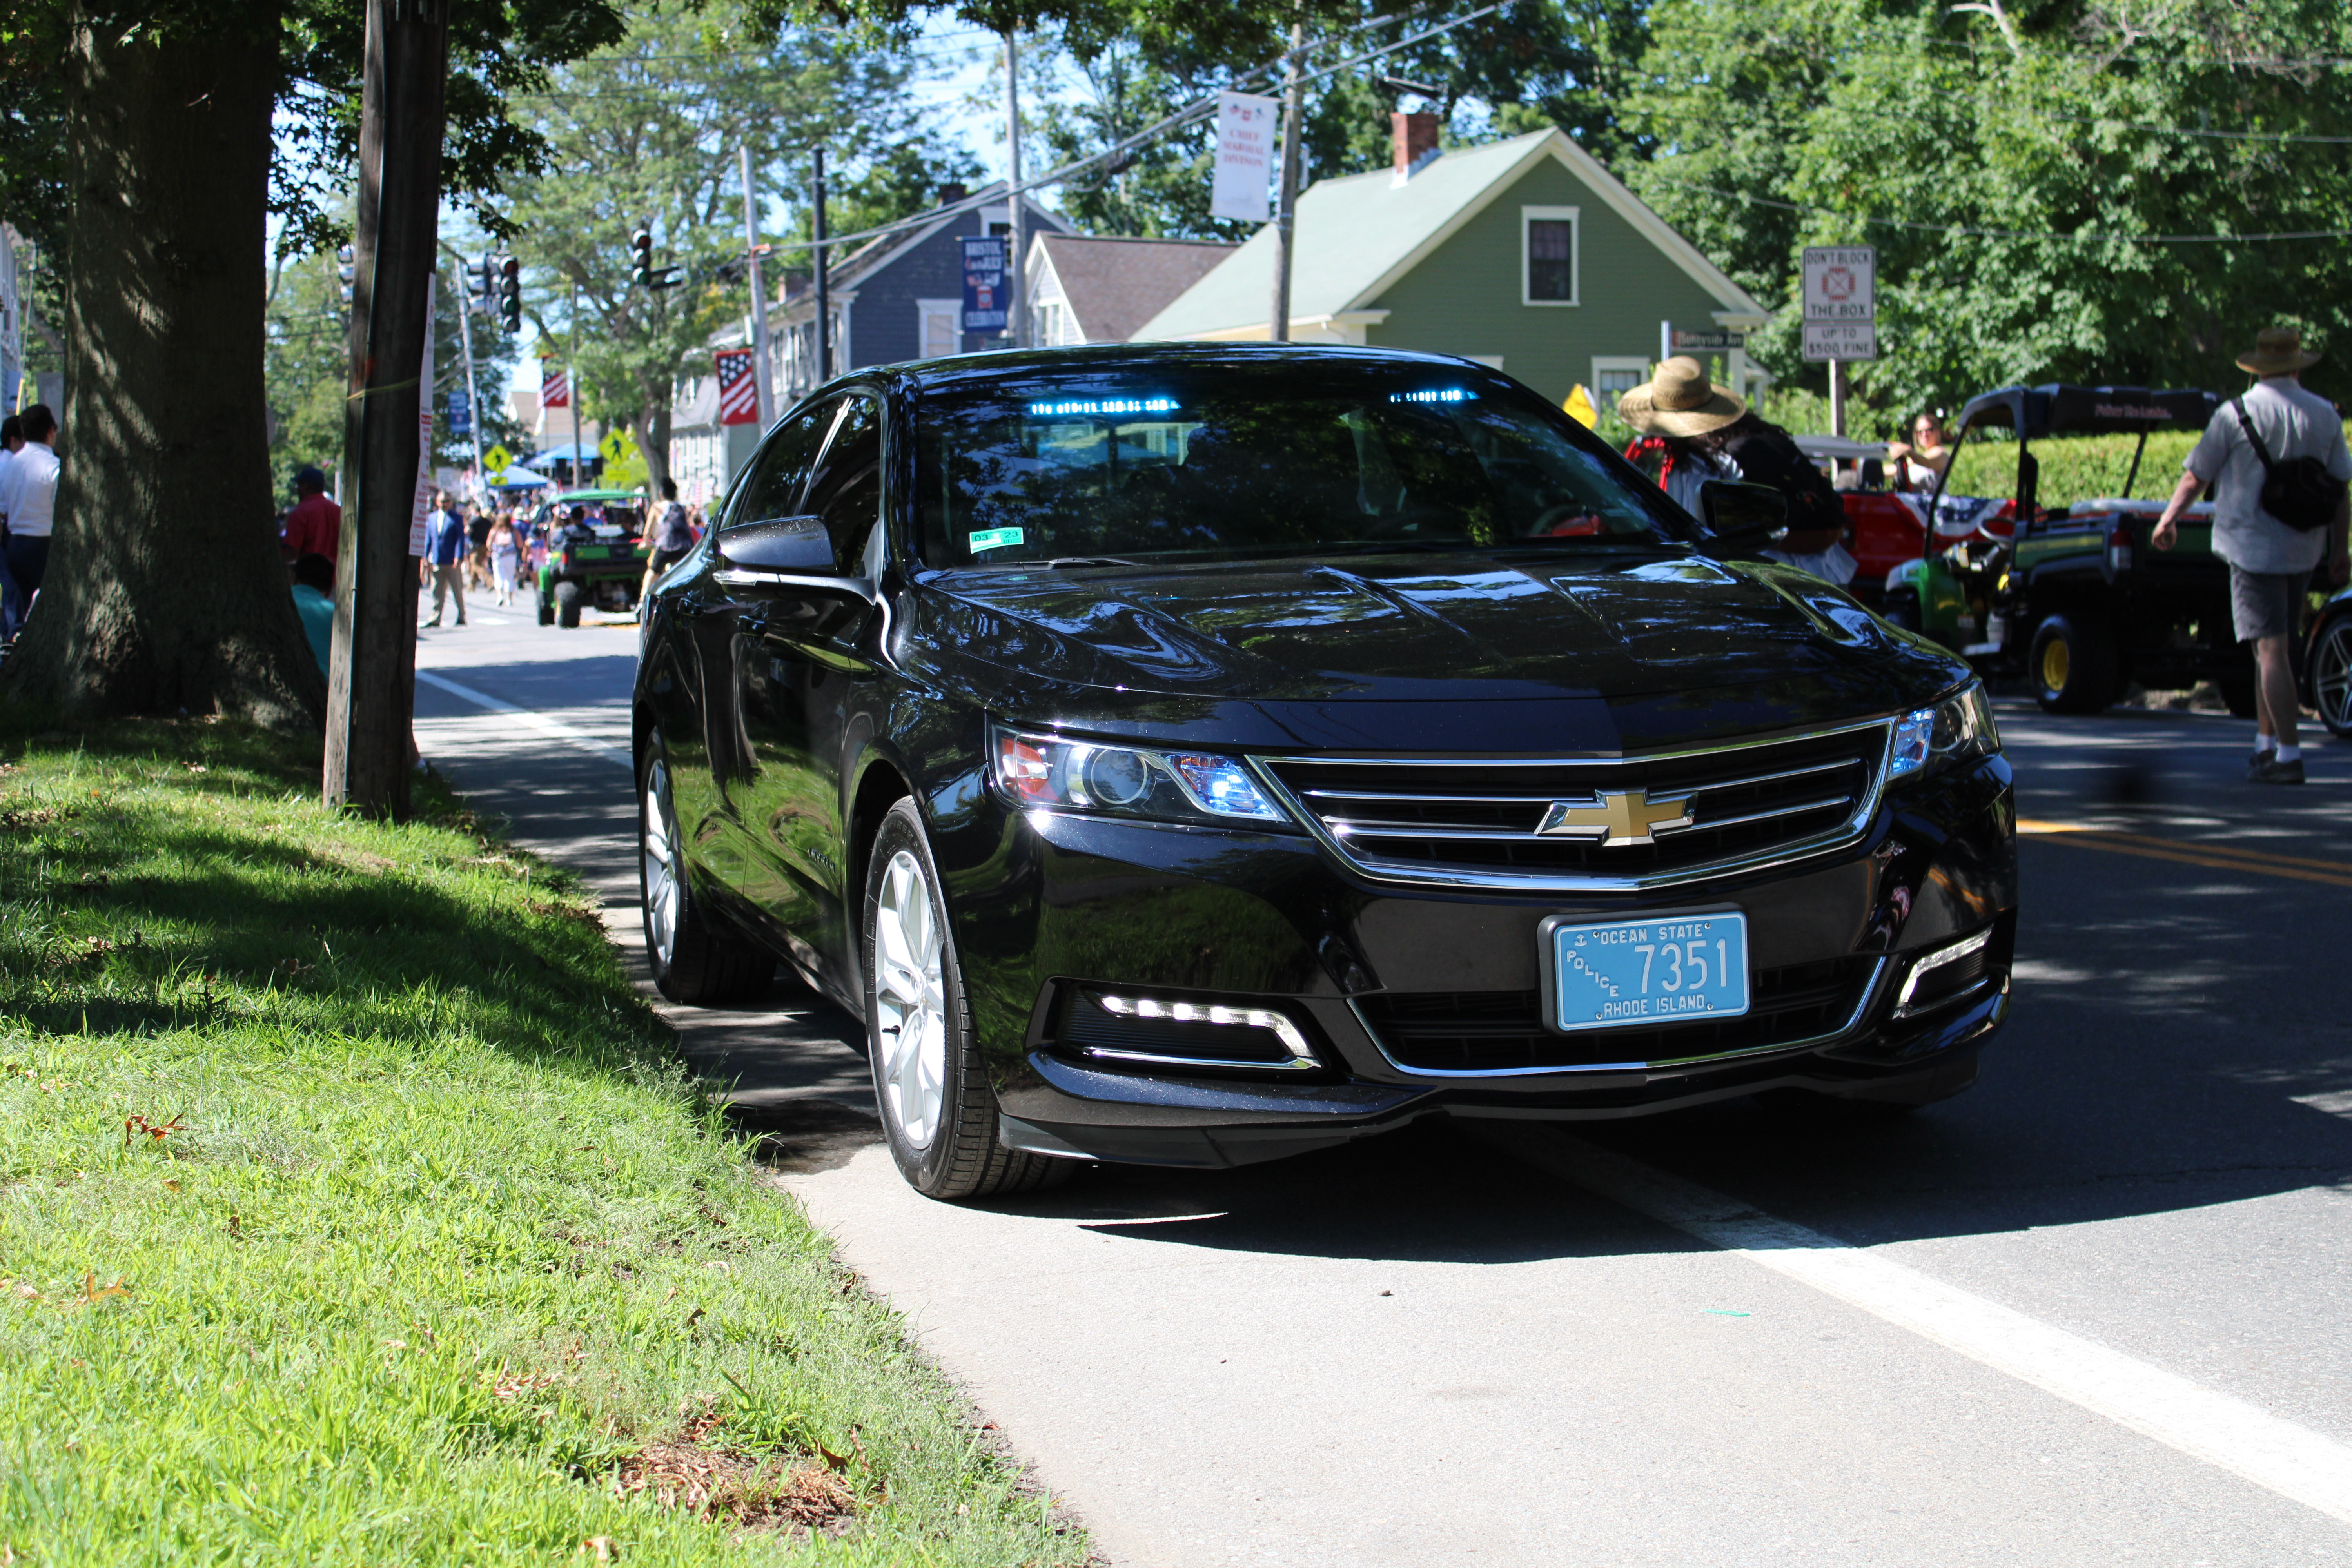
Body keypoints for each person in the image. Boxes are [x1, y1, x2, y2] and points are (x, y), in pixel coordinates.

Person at [2154, 325, 2352, 784]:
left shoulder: (2235, 413)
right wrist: (2339, 548)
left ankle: (2288, 754)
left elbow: (2195, 477)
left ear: (2258, 367)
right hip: (2304, 548)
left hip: (2251, 548)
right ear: (2298, 364)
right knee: (2274, 649)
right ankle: (2265, 745)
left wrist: (2168, 519)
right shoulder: (2325, 415)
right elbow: (2340, 490)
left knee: (2270, 649)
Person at [1617, 358, 1855, 583]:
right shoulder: (1753, 439)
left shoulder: (1699, 465)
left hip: (1775, 584)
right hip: (1827, 574)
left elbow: (1690, 546)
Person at [0, 403, 62, 641]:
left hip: (15, 545)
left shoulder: (10, 466)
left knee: (20, 608)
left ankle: (13, 647)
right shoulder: (54, 467)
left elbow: (3, 510)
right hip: (44, 546)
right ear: (50, 432)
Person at [640, 476, 696, 609]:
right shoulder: (682, 508)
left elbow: (648, 531)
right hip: (685, 547)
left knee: (652, 571)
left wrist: (646, 543)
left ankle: (642, 603)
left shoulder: (657, 507)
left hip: (665, 546)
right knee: (683, 572)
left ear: (661, 493)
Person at [420, 489, 469, 628]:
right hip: (437, 560)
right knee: (437, 590)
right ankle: (435, 618)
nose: (445, 504)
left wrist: (459, 557)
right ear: (437, 502)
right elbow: (429, 539)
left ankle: (461, 616)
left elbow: (461, 539)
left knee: (457, 591)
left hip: (452, 561)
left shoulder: (456, 518)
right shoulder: (432, 518)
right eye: (442, 501)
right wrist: (425, 556)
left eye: (448, 501)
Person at [281, 466, 341, 568]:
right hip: (335, 577)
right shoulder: (338, 511)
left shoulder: (300, 513)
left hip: (307, 577)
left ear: (306, 486)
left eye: (299, 485)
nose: (297, 489)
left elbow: (292, 553)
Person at [289, 552, 336, 677]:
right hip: (323, 689)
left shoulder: (277, 604)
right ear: (330, 588)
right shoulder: (338, 617)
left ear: (294, 578)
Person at [1887, 410, 1955, 493]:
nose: (1924, 434)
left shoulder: (1941, 454)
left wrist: (1908, 451)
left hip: (1934, 505)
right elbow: (1895, 469)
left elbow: (1927, 461)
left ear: (1938, 431)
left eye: (1929, 430)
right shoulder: (1916, 458)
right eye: (1920, 432)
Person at [0, 415, 22, 642]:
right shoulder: (10, 467)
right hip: (5, 532)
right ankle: (10, 634)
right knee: (11, 583)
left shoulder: (5, 463)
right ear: (15, 441)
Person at [487, 511, 522, 606]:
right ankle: (510, 599)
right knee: (510, 577)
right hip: (511, 556)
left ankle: (500, 597)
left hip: (498, 557)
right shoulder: (514, 531)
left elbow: (489, 545)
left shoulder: (495, 531)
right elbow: (520, 544)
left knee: (499, 577)